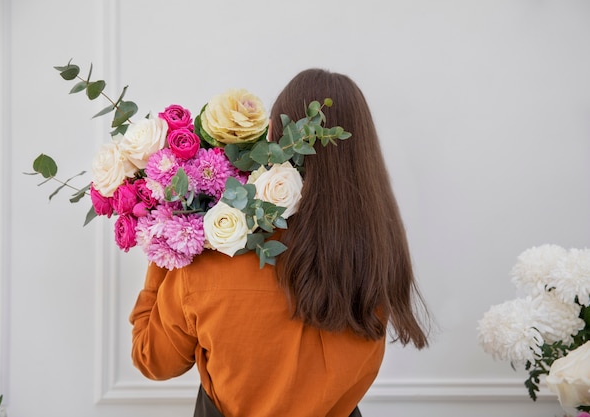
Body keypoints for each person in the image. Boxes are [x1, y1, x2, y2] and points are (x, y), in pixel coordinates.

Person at [129, 68, 430, 417]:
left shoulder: (215, 255)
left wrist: (166, 238)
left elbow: (153, 360)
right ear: (363, 154)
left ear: (273, 134)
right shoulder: (375, 259)